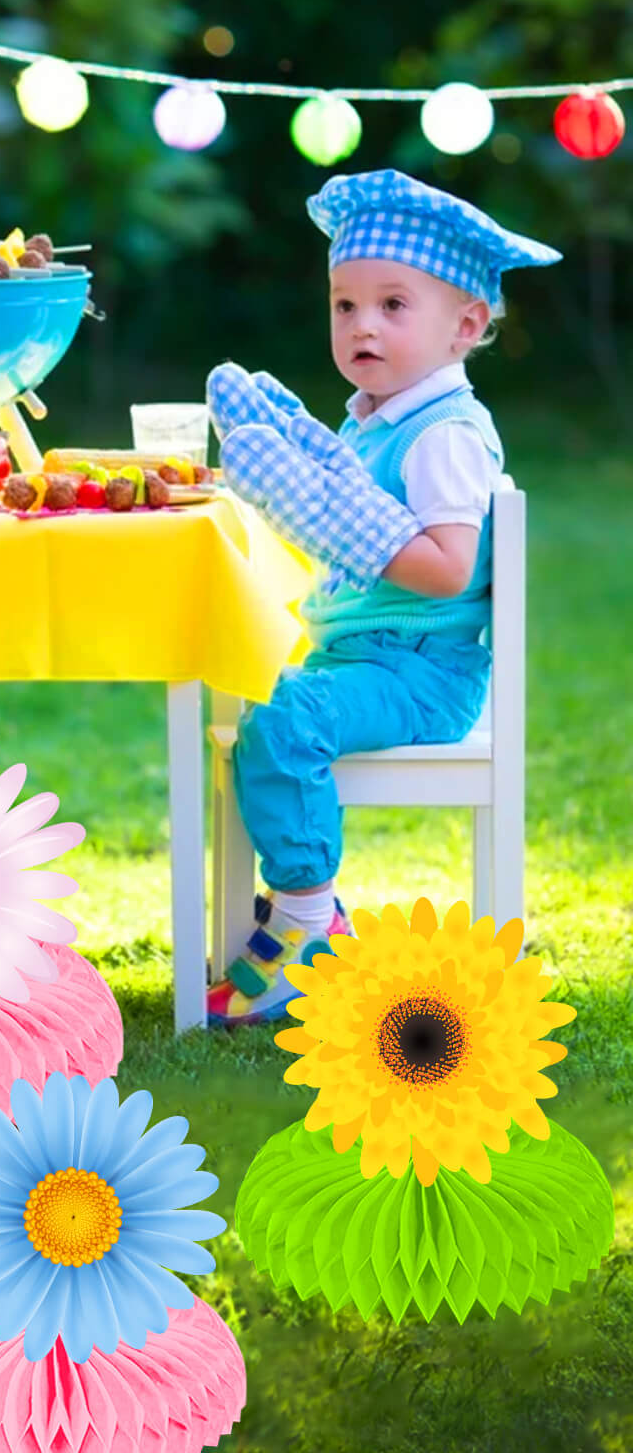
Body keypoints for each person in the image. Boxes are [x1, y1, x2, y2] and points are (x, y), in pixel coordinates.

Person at [202, 168, 560, 1027]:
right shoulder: (379, 416)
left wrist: (355, 529)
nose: (363, 325)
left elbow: (445, 568)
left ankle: (306, 929)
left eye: (394, 306)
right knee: (261, 693)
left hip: (422, 675)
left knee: (282, 719)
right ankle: (299, 907)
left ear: (465, 326)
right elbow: (341, 519)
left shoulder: (442, 435)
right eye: (345, 305)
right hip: (367, 659)